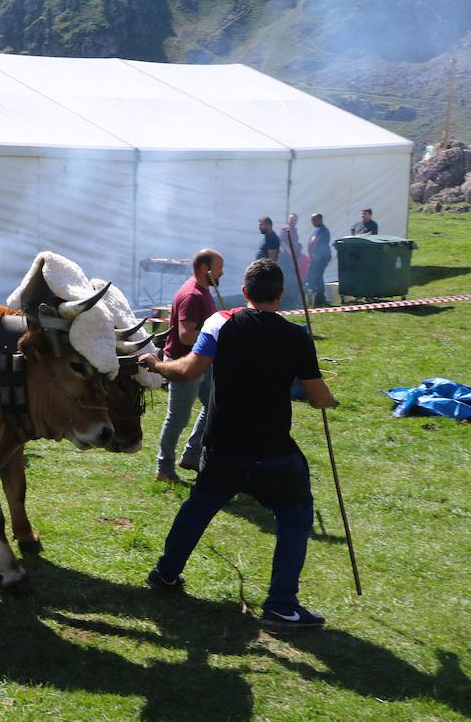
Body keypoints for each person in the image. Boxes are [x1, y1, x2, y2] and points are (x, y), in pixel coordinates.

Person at [139, 258, 339, 632]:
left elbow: (187, 370)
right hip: (273, 452)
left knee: (199, 506)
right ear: (280, 294)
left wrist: (156, 364)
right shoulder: (297, 336)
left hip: (223, 448)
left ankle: (165, 573)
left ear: (245, 292)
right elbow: (316, 396)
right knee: (295, 517)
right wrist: (329, 400)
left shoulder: (220, 323)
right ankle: (281, 606)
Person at [154, 249, 223, 482]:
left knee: (215, 405)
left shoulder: (203, 291)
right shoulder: (192, 295)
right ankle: (164, 468)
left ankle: (192, 455)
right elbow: (185, 335)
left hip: (202, 361)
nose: (222, 273)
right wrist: (217, 336)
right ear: (205, 269)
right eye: (219, 268)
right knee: (178, 419)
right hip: (183, 364)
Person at [306, 213, 332, 308]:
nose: (312, 222)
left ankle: (319, 299)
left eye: (314, 220)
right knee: (318, 277)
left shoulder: (322, 230)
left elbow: (313, 242)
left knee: (317, 277)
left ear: (319, 220)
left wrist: (311, 253)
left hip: (320, 258)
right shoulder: (318, 230)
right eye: (311, 220)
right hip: (319, 258)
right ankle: (320, 299)